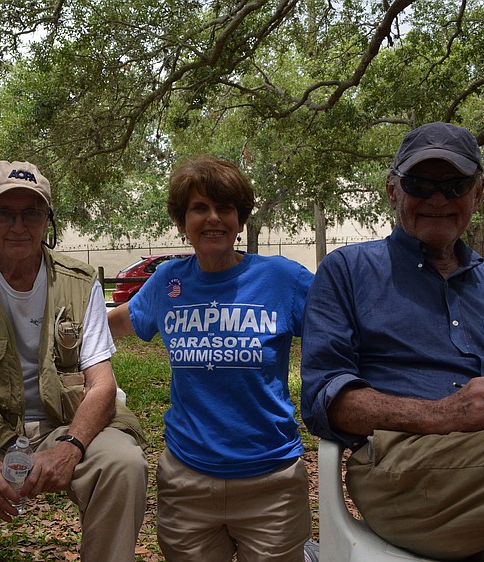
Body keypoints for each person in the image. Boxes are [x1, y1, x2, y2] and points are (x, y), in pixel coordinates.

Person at [0, 160, 149, 562]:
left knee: (123, 464)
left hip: (62, 426)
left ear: (47, 219)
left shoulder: (80, 281)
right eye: (5, 213)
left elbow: (101, 383)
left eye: (31, 213)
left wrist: (71, 447)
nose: (19, 225)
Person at [301, 121, 484, 561]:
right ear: (393, 190)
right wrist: (443, 414)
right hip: (404, 471)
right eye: (420, 183)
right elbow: (326, 401)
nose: (438, 198)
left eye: (455, 184)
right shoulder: (348, 270)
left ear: (477, 194)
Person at [107, 155, 317, 562]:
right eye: (199, 208)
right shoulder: (169, 280)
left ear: (241, 220)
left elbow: (346, 328)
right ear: (182, 220)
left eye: (225, 208)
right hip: (187, 480)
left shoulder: (282, 278)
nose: (213, 218)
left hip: (270, 479)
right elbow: (113, 324)